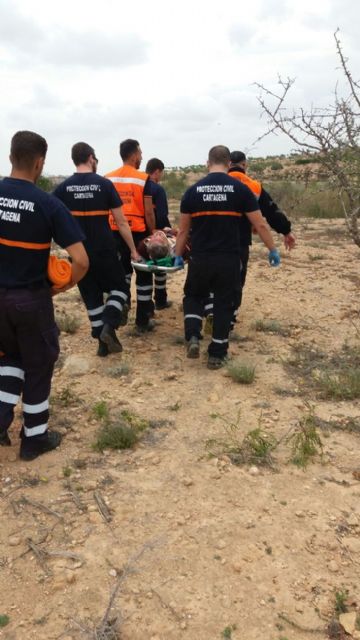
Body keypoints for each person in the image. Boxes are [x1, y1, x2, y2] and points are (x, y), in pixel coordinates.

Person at [0, 130, 88, 460]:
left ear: (10, 158)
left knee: (9, 357)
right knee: (38, 365)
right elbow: (80, 260)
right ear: (40, 163)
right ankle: (34, 439)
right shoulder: (48, 205)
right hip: (30, 300)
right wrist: (60, 286)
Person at [175, 145, 280, 370]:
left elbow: (183, 231)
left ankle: (193, 336)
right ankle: (217, 354)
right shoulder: (241, 190)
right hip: (229, 258)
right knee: (224, 302)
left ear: (207, 163)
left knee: (193, 295)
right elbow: (259, 223)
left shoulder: (192, 191)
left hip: (200, 257)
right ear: (229, 163)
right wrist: (272, 249)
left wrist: (176, 255)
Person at [53, 142, 139, 356]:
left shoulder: (63, 188)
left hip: (78, 252)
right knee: (120, 288)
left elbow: (51, 219)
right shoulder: (104, 184)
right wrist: (133, 250)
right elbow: (121, 223)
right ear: (91, 158)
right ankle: (110, 325)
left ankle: (102, 345)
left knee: (91, 296)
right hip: (105, 249)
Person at [204, 150, 296, 327]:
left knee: (212, 278)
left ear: (228, 164)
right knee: (236, 279)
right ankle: (229, 318)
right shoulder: (253, 186)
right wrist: (286, 231)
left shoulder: (211, 183)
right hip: (239, 241)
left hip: (210, 241)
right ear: (244, 165)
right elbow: (271, 211)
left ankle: (210, 310)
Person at [106, 139, 156, 333]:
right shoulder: (143, 179)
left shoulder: (108, 178)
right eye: (140, 153)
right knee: (143, 277)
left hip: (114, 232)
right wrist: (153, 233)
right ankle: (142, 321)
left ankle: (121, 306)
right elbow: (149, 211)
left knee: (122, 275)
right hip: (138, 234)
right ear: (134, 155)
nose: (142, 157)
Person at [145, 158, 171, 310]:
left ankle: (146, 306)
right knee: (161, 265)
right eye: (161, 173)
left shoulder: (140, 185)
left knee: (144, 268)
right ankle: (160, 300)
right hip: (156, 231)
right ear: (157, 171)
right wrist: (166, 230)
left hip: (141, 231)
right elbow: (162, 214)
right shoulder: (157, 189)